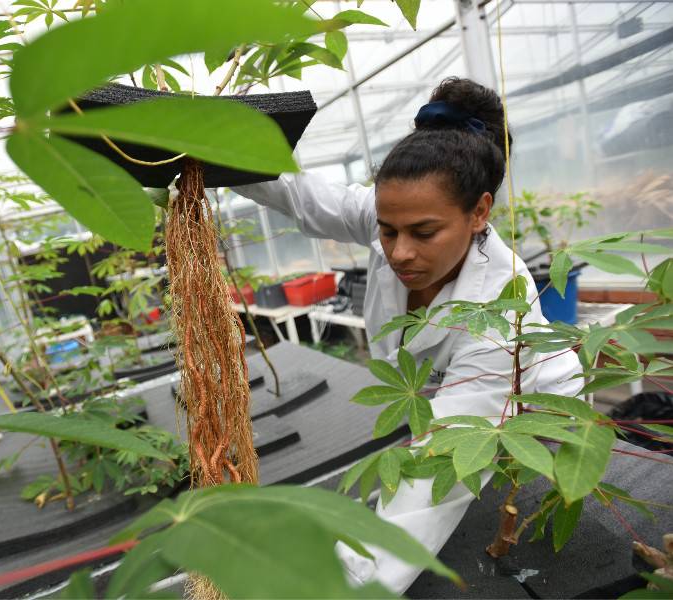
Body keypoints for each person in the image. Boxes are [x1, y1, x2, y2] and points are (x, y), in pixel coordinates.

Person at [232, 77, 582, 593]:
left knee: (468, 502)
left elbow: (432, 474)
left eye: (423, 233)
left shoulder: (499, 308)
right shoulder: (398, 213)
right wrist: (211, 152)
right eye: (385, 230)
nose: (398, 252)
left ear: (479, 213)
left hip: (533, 418)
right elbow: (299, 194)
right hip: (441, 402)